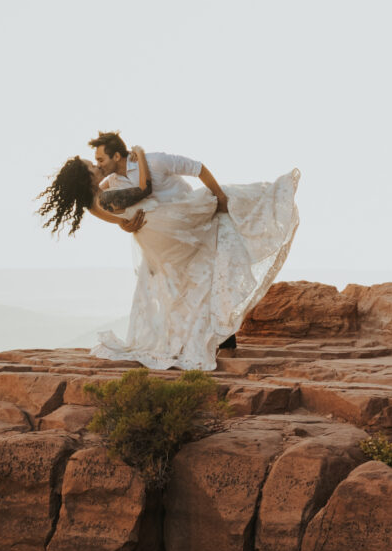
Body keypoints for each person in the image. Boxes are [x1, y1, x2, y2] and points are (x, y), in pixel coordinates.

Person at [36, 128, 299, 371]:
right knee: (200, 275)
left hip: (161, 234)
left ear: (116, 156)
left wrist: (124, 224)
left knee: (188, 286)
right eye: (92, 165)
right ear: (86, 176)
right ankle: (271, 198)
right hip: (169, 231)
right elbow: (143, 189)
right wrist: (137, 154)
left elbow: (123, 218)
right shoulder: (106, 193)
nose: (97, 165)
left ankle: (212, 339)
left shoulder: (102, 195)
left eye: (98, 160)